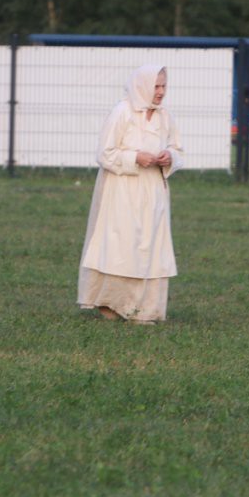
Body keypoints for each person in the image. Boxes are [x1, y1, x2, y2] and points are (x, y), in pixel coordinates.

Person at [77, 64, 184, 325]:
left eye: (164, 86)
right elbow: (105, 153)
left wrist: (169, 156)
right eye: (156, 86)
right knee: (121, 244)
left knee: (151, 244)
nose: (161, 92)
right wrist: (135, 157)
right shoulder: (122, 112)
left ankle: (145, 310)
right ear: (142, 85)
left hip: (153, 191)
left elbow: (177, 148)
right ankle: (112, 303)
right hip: (122, 189)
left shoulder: (164, 117)